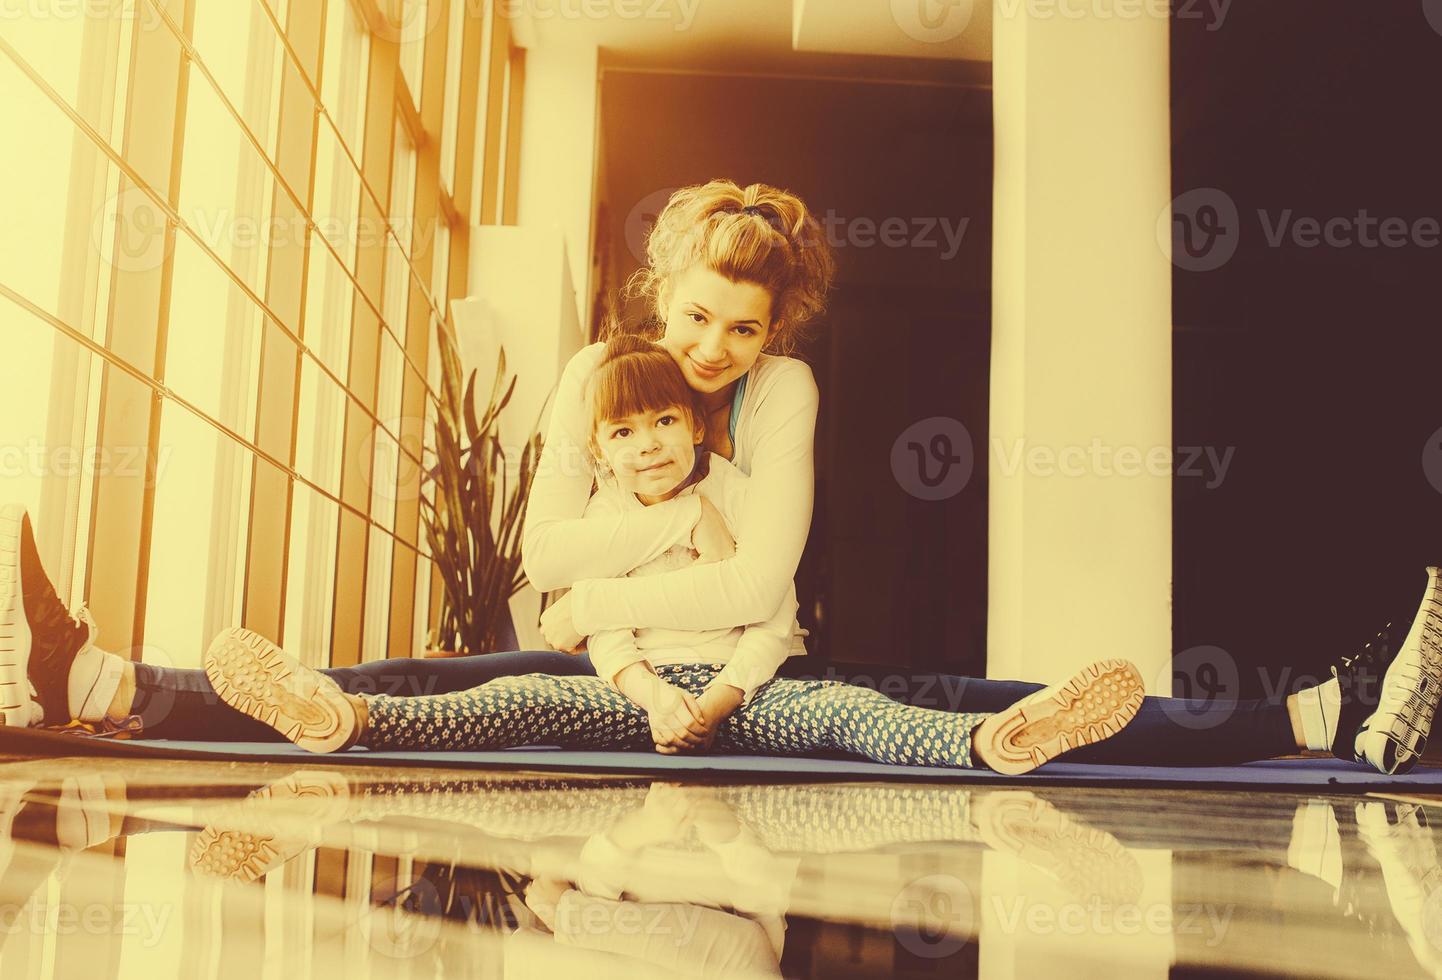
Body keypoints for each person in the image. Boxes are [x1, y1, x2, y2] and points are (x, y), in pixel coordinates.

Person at [2, 178, 1439, 774]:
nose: (707, 353)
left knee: (940, 704)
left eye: (741, 330)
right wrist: (659, 558)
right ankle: (101, 683)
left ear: (779, 328)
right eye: (691, 317)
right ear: (656, 287)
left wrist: (638, 555)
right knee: (433, 686)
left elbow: (764, 584)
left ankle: (1316, 713)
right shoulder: (587, 377)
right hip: (615, 665)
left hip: (747, 668)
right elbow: (538, 573)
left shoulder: (789, 391)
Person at [200, 336, 1149, 773]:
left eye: (666, 422)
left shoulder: (735, 495)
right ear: (601, 448)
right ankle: (339, 717)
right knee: (508, 699)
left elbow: (772, 621)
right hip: (631, 701)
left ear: (697, 426)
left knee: (853, 711)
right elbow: (602, 640)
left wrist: (721, 697)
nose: (649, 444)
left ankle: (996, 741)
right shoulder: (603, 521)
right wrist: (653, 696)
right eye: (626, 433)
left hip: (746, 697)